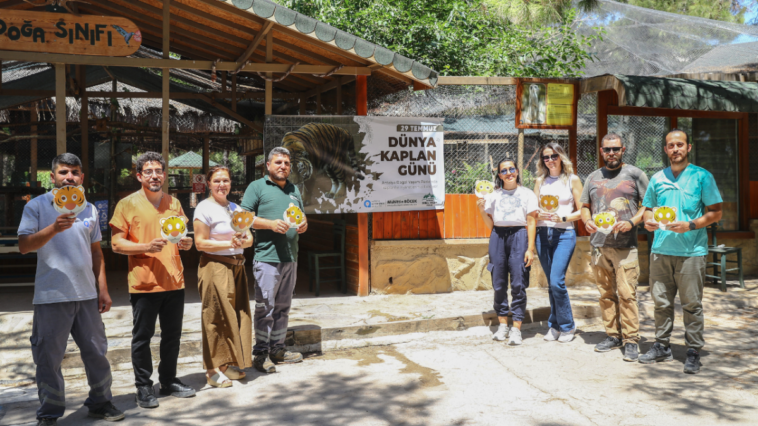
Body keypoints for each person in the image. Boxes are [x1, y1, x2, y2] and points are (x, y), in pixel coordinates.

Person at [18, 154, 125, 426]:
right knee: (48, 359)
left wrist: (103, 289)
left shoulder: (88, 208)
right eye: (63, 172)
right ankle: (50, 413)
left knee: (97, 353)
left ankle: (100, 402)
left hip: (87, 296)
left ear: (82, 178)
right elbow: (24, 245)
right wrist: (53, 228)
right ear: (52, 177)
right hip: (51, 296)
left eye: (75, 172)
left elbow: (96, 253)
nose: (69, 177)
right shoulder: (37, 207)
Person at [110, 151, 196, 408]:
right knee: (142, 337)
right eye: (148, 171)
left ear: (164, 175)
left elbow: (180, 238)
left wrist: (187, 243)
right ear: (139, 176)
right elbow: (116, 244)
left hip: (174, 280)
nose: (154, 175)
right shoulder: (126, 205)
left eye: (158, 171)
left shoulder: (174, 203)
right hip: (144, 282)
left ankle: (168, 381)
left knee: (172, 335)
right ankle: (144, 386)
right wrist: (145, 246)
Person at [640, 129, 722, 374]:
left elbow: (716, 212)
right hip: (660, 250)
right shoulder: (657, 178)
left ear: (688, 147)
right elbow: (647, 209)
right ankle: (661, 345)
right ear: (665, 150)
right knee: (661, 303)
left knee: (692, 304)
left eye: (679, 145)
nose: (675, 149)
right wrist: (648, 221)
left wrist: (691, 225)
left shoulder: (701, 177)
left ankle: (694, 350)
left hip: (691, 252)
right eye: (670, 145)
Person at [580, 133, 649, 361]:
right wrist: (587, 220)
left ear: (623, 149)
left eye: (615, 149)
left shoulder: (635, 174)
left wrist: (631, 222)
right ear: (601, 151)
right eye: (607, 149)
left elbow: (648, 206)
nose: (611, 153)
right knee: (605, 294)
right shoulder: (592, 177)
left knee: (627, 294)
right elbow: (584, 206)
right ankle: (613, 335)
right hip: (599, 246)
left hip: (625, 246)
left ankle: (631, 340)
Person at [241, 147, 308, 373]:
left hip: (291, 257)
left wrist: (304, 224)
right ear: (268, 165)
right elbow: (244, 217)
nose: (283, 166)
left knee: (283, 307)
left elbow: (301, 215)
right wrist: (269, 224)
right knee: (265, 308)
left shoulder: (293, 189)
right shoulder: (257, 187)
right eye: (278, 162)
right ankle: (260, 353)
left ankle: (277, 349)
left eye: (287, 163)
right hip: (267, 258)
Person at [193, 166, 254, 387]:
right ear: (209, 183)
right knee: (214, 318)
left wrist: (242, 241)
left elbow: (249, 238)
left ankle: (226, 365)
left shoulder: (235, 207)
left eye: (226, 181)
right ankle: (211, 370)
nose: (222, 185)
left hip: (237, 267)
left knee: (234, 316)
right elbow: (200, 243)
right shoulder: (203, 208)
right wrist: (229, 243)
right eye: (217, 181)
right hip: (215, 266)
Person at [477, 159, 538, 346]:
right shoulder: (493, 196)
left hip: (519, 235)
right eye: (504, 170)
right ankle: (502, 324)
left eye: (512, 169)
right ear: (500, 174)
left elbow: (531, 222)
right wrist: (480, 208)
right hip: (498, 236)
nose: (509, 172)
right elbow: (491, 224)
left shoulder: (527, 194)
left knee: (519, 282)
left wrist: (530, 248)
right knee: (499, 282)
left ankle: (516, 328)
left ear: (518, 171)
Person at [533, 143, 583, 343]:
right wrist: (538, 213)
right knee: (551, 284)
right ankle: (554, 325)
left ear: (561, 157)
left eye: (554, 156)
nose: (550, 160)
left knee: (557, 281)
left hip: (564, 235)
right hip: (542, 234)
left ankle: (568, 326)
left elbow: (582, 211)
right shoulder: (540, 181)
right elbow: (532, 209)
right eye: (546, 157)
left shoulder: (573, 180)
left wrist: (563, 219)